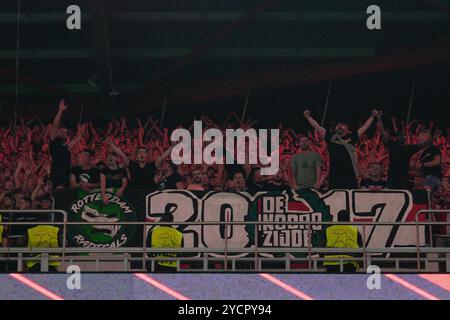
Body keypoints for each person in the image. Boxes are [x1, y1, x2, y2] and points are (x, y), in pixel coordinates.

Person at [303, 109, 378, 189]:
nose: (339, 126)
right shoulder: (330, 137)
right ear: (334, 128)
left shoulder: (352, 137)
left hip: (350, 176)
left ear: (346, 128)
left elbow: (365, 127)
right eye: (337, 125)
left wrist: (372, 116)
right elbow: (317, 126)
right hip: (335, 176)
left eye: (342, 125)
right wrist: (308, 117)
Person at [48, 99, 82, 189]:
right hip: (56, 176)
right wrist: (60, 111)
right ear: (57, 133)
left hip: (66, 176)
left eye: (65, 133)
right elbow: (55, 125)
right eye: (62, 132)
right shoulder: (54, 141)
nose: (64, 134)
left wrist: (80, 132)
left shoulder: (66, 147)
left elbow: (76, 139)